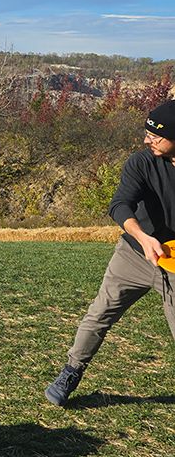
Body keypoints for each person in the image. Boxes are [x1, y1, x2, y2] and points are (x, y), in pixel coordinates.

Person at [45, 100, 175, 406]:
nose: (147, 140)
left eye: (155, 136)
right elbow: (119, 205)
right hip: (134, 254)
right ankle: (71, 372)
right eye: (146, 133)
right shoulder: (141, 163)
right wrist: (143, 237)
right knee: (100, 314)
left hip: (173, 264)